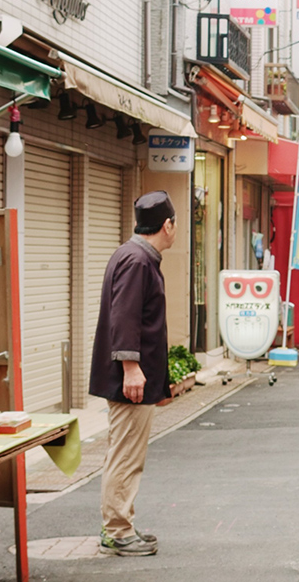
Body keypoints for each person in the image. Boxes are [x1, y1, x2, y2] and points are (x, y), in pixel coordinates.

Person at [89, 191, 178, 557]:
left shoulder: (134, 255)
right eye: (175, 224)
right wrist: (131, 368)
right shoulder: (138, 261)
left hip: (134, 375)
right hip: (131, 378)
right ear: (167, 225)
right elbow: (125, 316)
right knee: (125, 454)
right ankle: (117, 530)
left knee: (126, 452)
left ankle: (122, 524)